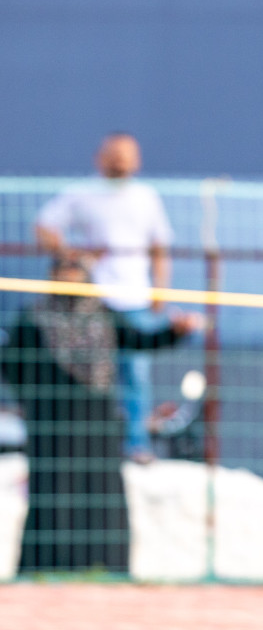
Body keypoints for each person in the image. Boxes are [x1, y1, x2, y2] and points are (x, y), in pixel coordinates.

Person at [0, 257, 199, 573]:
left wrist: (175, 331)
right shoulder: (34, 317)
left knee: (99, 491)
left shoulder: (102, 314)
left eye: (75, 276)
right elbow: (11, 365)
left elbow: (140, 340)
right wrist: (31, 401)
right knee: (54, 491)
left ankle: (102, 565)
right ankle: (50, 567)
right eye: (62, 276)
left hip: (96, 418)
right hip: (50, 419)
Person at [35, 133, 175, 464]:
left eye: (127, 154)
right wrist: (71, 255)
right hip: (92, 302)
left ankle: (135, 444)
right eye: (114, 154)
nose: (120, 161)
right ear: (100, 157)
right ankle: (87, 442)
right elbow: (44, 226)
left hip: (134, 299)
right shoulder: (82, 194)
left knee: (135, 374)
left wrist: (161, 289)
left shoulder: (146, 197)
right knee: (87, 374)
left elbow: (160, 248)